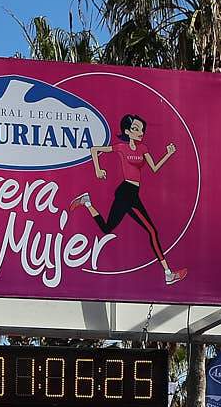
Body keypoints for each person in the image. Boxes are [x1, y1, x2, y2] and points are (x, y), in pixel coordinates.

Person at [75, 114, 186, 286]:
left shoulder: (143, 149)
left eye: (141, 129)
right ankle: (167, 273)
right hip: (126, 193)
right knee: (152, 231)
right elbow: (94, 150)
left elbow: (154, 168)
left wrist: (168, 154)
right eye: (135, 129)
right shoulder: (121, 147)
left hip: (132, 193)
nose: (140, 132)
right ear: (127, 131)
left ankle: (87, 202)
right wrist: (98, 169)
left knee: (106, 228)